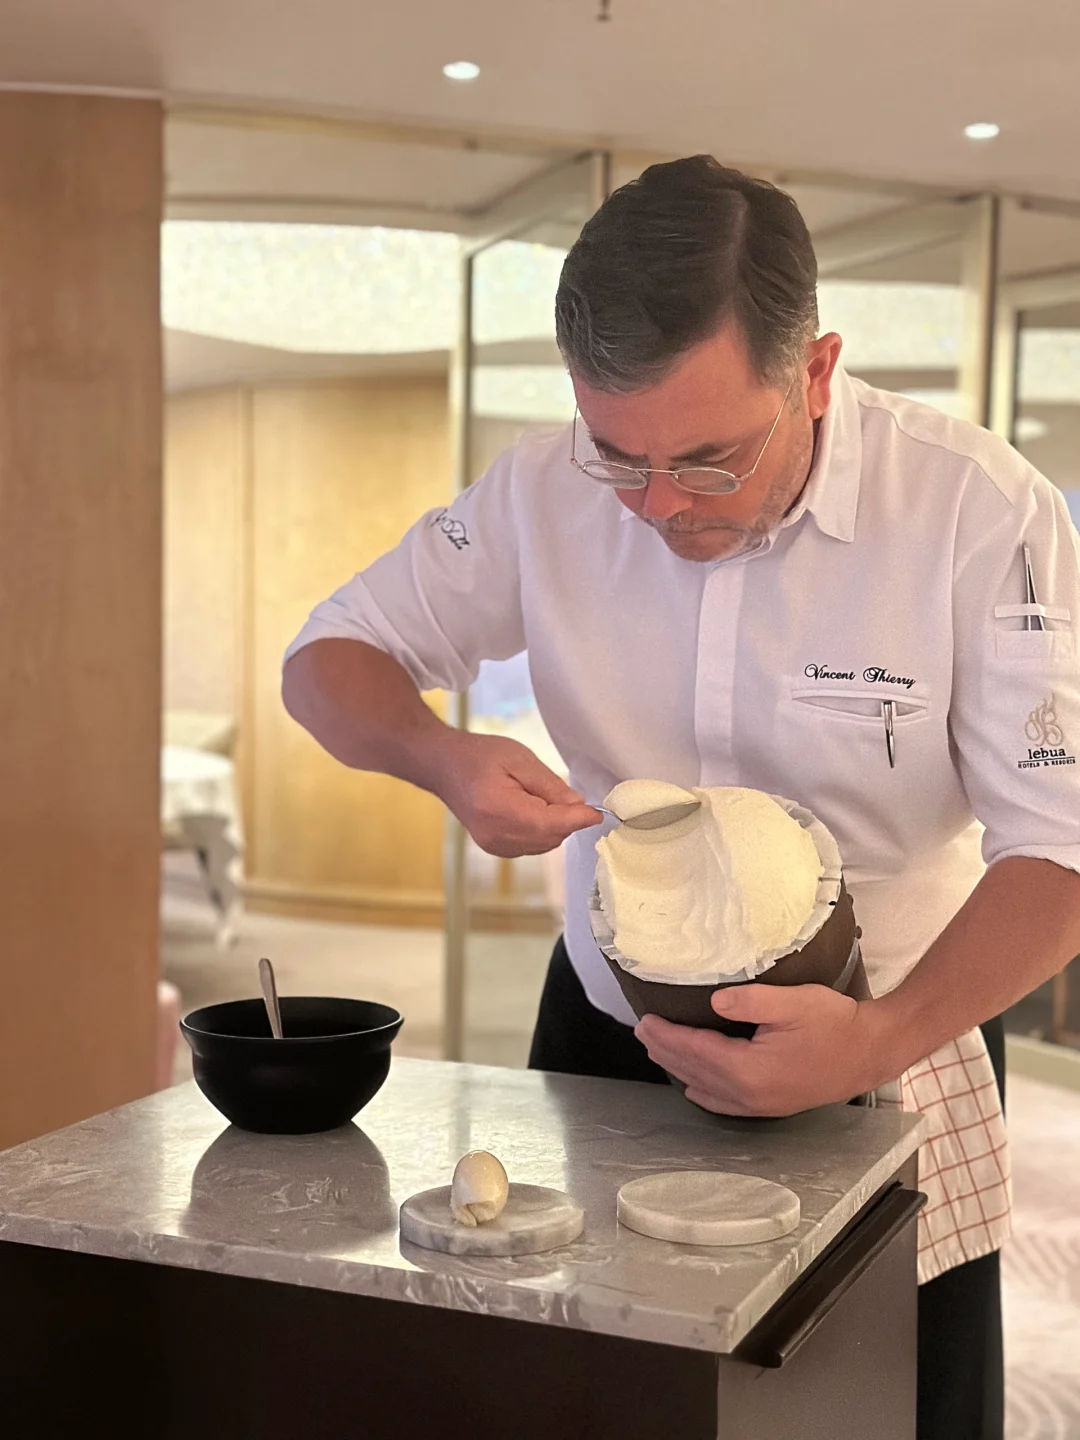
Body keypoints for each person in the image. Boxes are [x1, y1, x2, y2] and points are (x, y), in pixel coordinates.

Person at [281, 156, 1080, 1440]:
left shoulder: (978, 512)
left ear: (815, 372)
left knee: (883, 1409)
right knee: (595, 1399)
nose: (656, 506)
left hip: (891, 1035)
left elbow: (1062, 848)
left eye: (709, 461)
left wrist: (878, 1039)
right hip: (614, 1035)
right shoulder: (541, 489)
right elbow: (325, 658)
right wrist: (441, 757)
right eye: (619, 455)